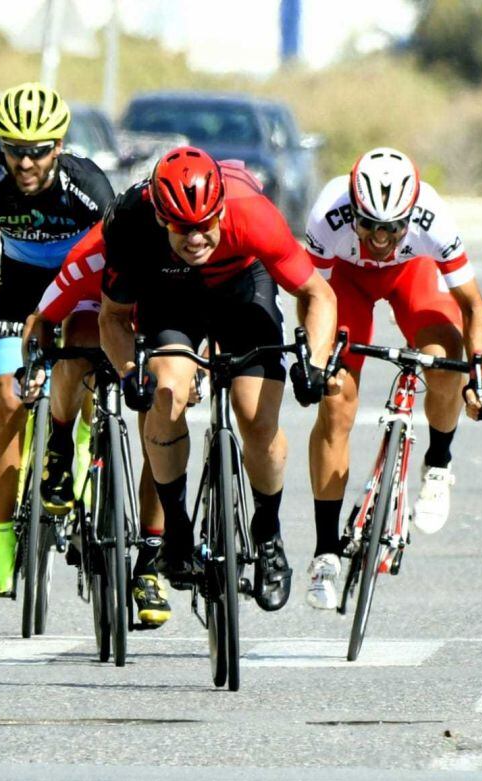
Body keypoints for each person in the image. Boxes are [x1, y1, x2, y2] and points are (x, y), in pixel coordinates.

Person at [97, 146, 338, 613]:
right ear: (161, 217)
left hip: (242, 289)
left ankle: (267, 531)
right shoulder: (131, 223)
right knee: (166, 390)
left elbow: (317, 293)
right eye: (182, 228)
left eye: (206, 224)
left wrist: (316, 361)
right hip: (171, 299)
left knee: (257, 417)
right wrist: (130, 372)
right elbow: (113, 318)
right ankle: (178, 528)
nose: (195, 238)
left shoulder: (254, 216)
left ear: (222, 208)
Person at [302, 147, 482, 610]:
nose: (381, 237)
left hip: (412, 278)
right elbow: (312, 296)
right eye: (369, 225)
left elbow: (474, 307)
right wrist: (316, 360)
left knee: (443, 361)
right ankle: (325, 552)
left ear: (411, 215)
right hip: (344, 285)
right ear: (354, 210)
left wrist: (479, 377)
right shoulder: (328, 214)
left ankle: (439, 463)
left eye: (393, 227)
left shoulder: (433, 219)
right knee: (336, 401)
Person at [0, 83, 114, 596]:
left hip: (82, 284)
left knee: (84, 369)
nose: (26, 162)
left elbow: (117, 268)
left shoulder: (88, 185)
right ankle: (1, 542)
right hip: (20, 287)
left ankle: (81, 440)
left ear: (59, 146)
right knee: (8, 402)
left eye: (39, 150)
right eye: (14, 149)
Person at [22, 223, 172, 628]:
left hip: (151, 312)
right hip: (93, 306)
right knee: (80, 342)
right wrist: (35, 367)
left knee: (164, 420)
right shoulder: (89, 259)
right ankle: (59, 449)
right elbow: (41, 321)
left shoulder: (179, 259)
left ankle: (149, 563)